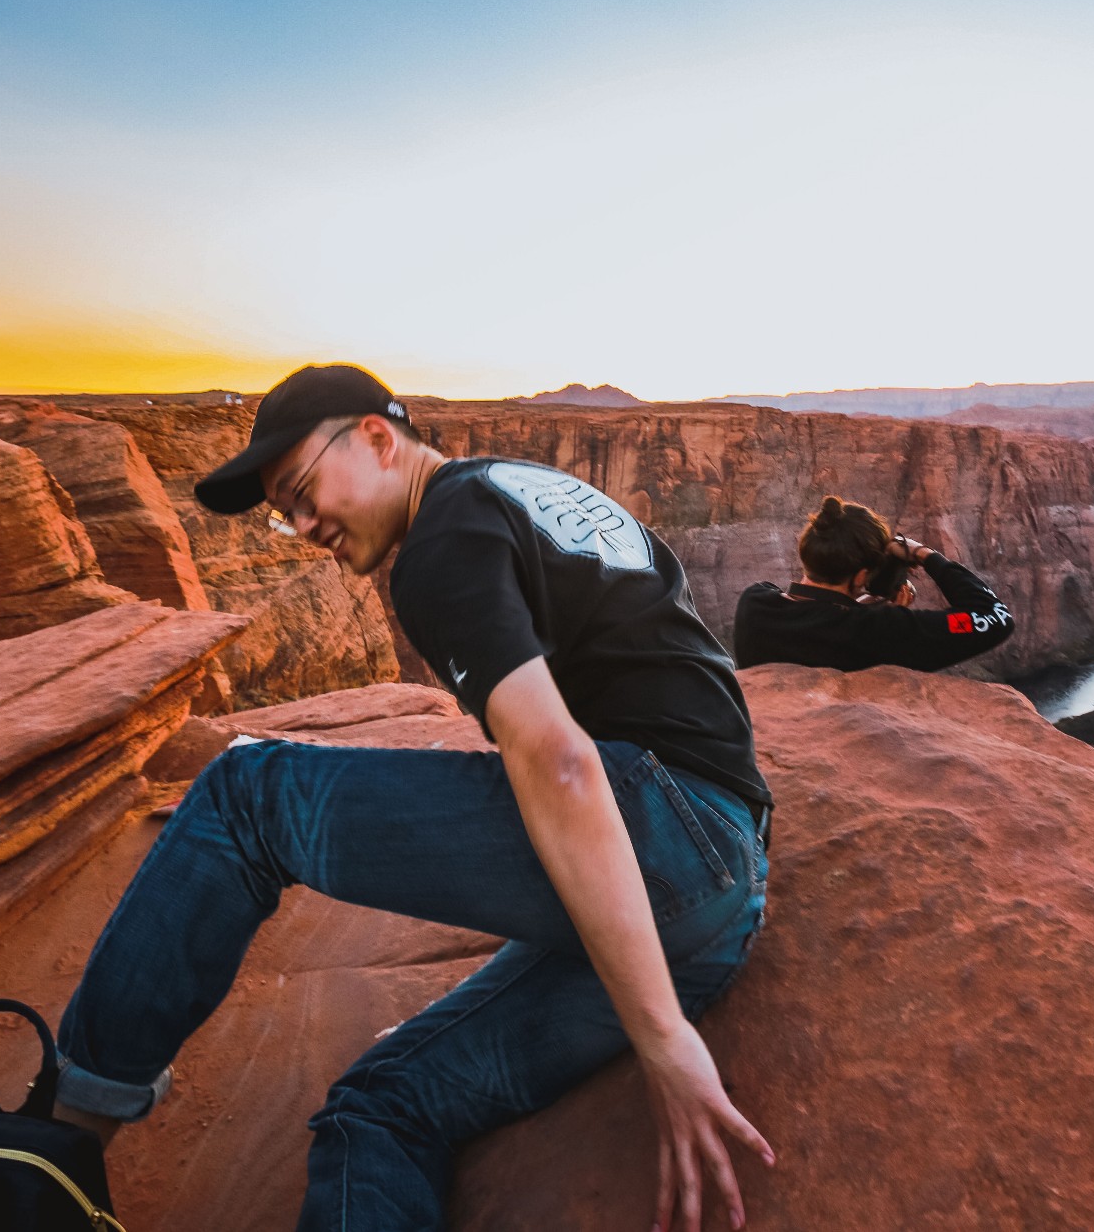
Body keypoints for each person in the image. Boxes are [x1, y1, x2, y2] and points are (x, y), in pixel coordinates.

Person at [53, 365, 773, 1232]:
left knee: (247, 796)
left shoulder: (441, 540)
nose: (303, 525)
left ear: (378, 438)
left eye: (303, 491)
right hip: (719, 906)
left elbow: (563, 766)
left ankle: (53, 1146)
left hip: (661, 836)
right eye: (286, 510)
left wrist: (663, 1040)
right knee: (382, 1106)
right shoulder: (522, 486)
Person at [733, 495, 1015, 672]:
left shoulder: (754, 602)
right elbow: (996, 616)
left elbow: (811, 619)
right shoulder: (878, 630)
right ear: (860, 576)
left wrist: (859, 607)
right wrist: (926, 555)